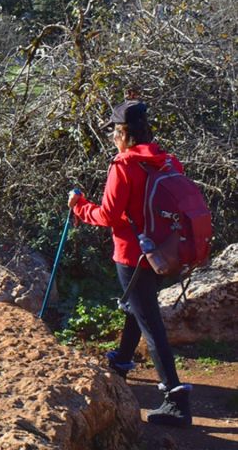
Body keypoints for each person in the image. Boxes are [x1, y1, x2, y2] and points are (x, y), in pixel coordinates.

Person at [67, 99, 192, 428]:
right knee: (140, 307)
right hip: (163, 252)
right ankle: (122, 362)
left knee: (151, 323)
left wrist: (79, 208)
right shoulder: (166, 160)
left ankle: (176, 400)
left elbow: (108, 215)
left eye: (113, 132)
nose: (111, 137)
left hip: (131, 254)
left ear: (124, 133)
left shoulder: (123, 165)